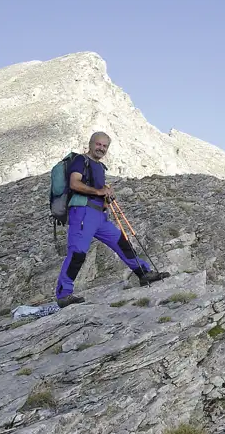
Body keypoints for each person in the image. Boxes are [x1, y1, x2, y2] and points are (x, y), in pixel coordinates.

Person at [55, 131, 168, 307]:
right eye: (98, 144)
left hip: (100, 216)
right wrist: (99, 192)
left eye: (104, 146)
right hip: (83, 213)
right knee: (77, 253)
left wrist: (106, 196)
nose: (101, 148)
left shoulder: (99, 167)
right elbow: (74, 183)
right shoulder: (80, 160)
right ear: (91, 144)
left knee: (122, 242)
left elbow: (97, 190)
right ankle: (64, 295)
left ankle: (144, 273)